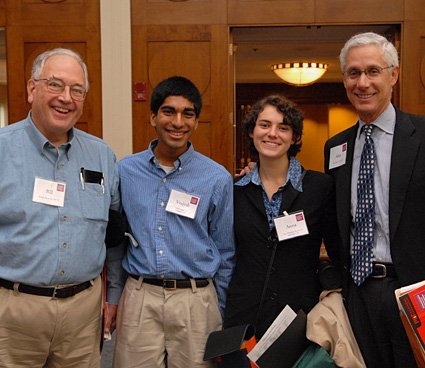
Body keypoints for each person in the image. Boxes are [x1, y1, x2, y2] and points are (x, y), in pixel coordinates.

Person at [0, 48, 123, 368]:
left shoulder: (101, 155)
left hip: (82, 318)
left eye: (77, 89)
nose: (66, 98)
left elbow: (112, 236)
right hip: (12, 315)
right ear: (31, 89)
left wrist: (112, 298)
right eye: (55, 85)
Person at [113, 75, 235, 368]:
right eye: (169, 111)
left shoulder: (216, 177)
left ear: (195, 122)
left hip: (196, 299)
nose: (178, 122)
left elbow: (225, 250)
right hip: (141, 295)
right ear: (153, 116)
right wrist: (115, 297)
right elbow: (115, 240)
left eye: (187, 114)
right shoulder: (125, 171)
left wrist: (215, 307)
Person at [324, 32, 425, 367]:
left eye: (372, 71)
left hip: (415, 291)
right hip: (360, 292)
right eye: (353, 73)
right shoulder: (336, 147)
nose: (362, 82)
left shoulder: (421, 136)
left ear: (393, 75)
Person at [223, 94, 340, 340]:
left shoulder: (319, 187)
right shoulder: (234, 191)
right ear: (252, 131)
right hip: (243, 320)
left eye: (283, 128)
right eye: (264, 125)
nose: (272, 133)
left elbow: (337, 250)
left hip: (302, 319)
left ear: (295, 137)